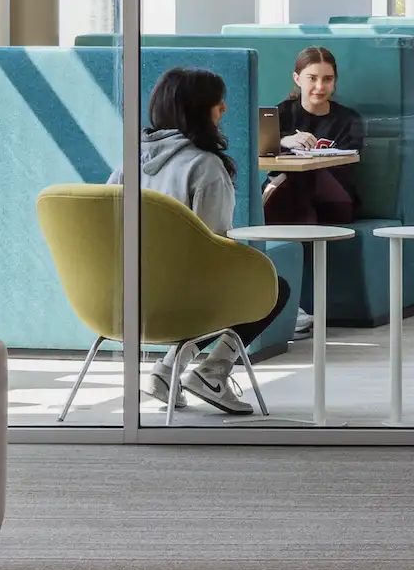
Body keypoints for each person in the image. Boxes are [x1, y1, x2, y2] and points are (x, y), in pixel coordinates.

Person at [110, 66, 294, 418]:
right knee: (272, 287)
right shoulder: (206, 166)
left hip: (123, 299)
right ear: (197, 109)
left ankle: (167, 371)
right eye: (216, 101)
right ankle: (212, 372)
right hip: (181, 301)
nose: (224, 108)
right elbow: (214, 245)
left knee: (204, 281)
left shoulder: (126, 165)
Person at [265, 45, 363, 226]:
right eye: (312, 78)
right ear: (297, 78)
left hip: (335, 200)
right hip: (289, 197)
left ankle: (273, 190)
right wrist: (284, 140)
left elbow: (348, 164)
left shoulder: (348, 120)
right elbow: (259, 148)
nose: (320, 87)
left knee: (306, 173)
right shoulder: (281, 113)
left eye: (327, 79)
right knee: (294, 191)